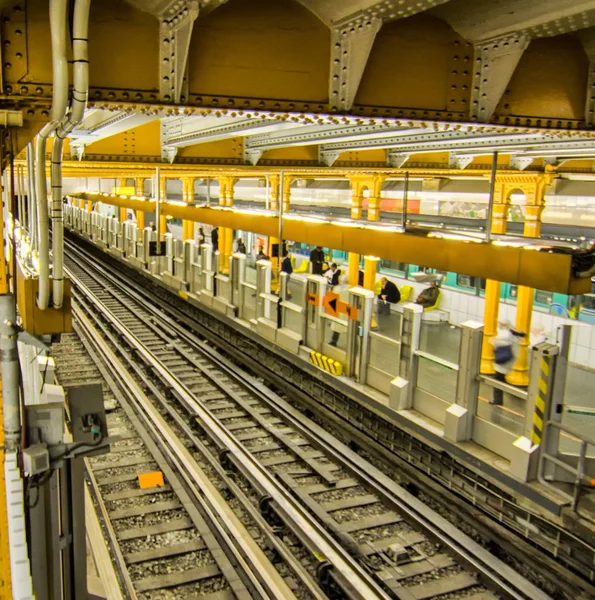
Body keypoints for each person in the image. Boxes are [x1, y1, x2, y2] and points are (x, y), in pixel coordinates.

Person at [491, 322, 524, 406]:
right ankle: (503, 398)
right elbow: (521, 335)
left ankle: (498, 401)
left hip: (502, 361)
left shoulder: (505, 335)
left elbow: (494, 341)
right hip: (508, 361)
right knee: (502, 380)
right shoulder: (514, 335)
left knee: (498, 381)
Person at [329, 275, 350, 347]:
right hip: (349, 310)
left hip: (339, 310)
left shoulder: (337, 288)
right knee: (350, 328)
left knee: (337, 327)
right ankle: (352, 344)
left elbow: (332, 300)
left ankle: (333, 341)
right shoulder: (351, 289)